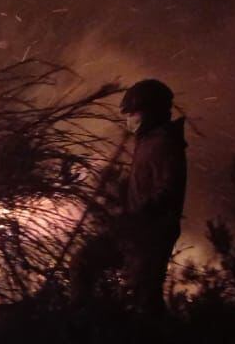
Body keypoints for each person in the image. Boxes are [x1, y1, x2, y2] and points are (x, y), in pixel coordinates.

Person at [72, 78, 188, 313]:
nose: (129, 119)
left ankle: (155, 343)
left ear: (150, 111)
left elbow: (168, 190)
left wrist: (140, 213)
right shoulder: (148, 141)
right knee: (86, 263)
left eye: (133, 113)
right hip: (136, 229)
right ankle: (86, 324)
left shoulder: (165, 143)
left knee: (144, 295)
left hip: (151, 232)